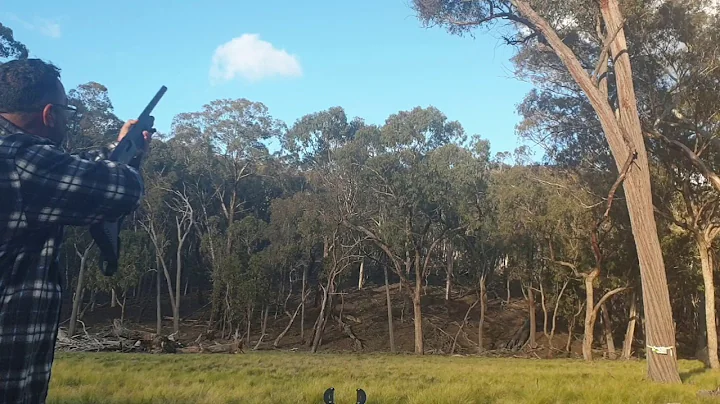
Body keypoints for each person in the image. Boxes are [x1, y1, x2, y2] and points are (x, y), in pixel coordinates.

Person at [0, 58, 151, 403]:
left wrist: (118, 149)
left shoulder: (19, 159)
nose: (68, 118)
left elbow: (60, 170)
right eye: (67, 111)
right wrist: (128, 162)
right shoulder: (19, 160)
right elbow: (122, 190)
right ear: (49, 114)